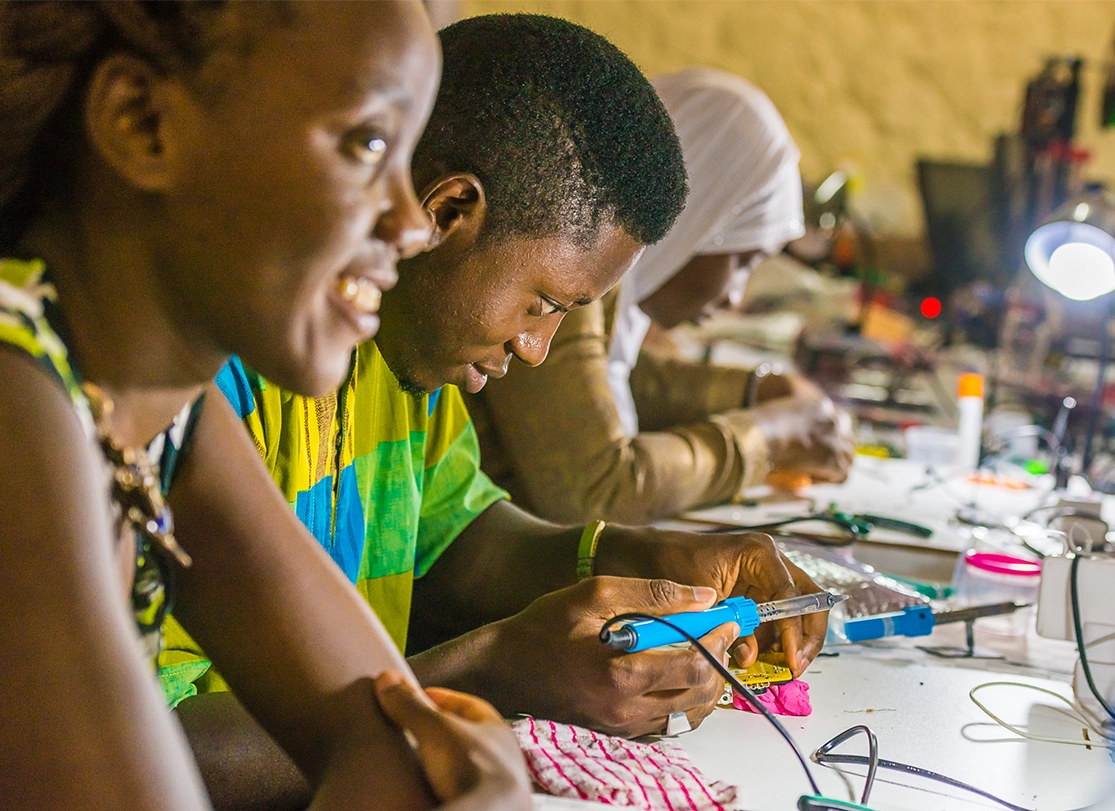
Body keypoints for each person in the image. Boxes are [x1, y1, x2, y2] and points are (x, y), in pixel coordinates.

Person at [163, 15, 832, 808]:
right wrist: (490, 669)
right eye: (545, 301)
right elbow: (157, 747)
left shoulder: (394, 359)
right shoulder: (198, 378)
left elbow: (452, 538)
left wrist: (644, 556)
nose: (540, 349)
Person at [0, 3, 528, 809]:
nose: (411, 223)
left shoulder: (166, 411)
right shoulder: (16, 400)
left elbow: (385, 746)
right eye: (368, 144)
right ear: (142, 122)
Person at [467, 67, 856, 526]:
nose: (734, 299)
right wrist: (768, 438)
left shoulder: (594, 279)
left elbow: (595, 375)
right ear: (696, 216)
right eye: (742, 261)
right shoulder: (560, 268)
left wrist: (757, 390)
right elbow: (595, 491)